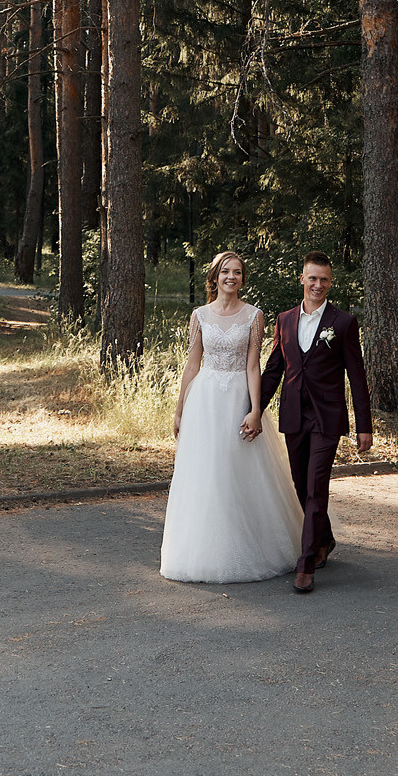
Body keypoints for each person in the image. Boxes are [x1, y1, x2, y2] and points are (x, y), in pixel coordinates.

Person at [158, 251, 303, 583]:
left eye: (237, 272)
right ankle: (200, 552)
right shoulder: (199, 315)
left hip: (238, 396)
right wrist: (179, 409)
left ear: (242, 278)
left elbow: (254, 365)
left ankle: (249, 548)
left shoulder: (254, 316)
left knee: (237, 470)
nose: (231, 277)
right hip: (204, 401)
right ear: (215, 276)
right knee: (205, 473)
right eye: (226, 271)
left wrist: (255, 409)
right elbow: (192, 364)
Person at [254, 252, 373, 594]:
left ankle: (306, 563)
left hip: (326, 417)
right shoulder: (285, 320)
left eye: (324, 279)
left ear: (329, 283)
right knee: (300, 486)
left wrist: (364, 425)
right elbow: (274, 369)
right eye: (312, 278)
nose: (317, 285)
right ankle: (324, 539)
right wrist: (254, 410)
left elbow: (357, 377)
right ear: (302, 279)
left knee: (316, 486)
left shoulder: (344, 322)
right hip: (294, 414)